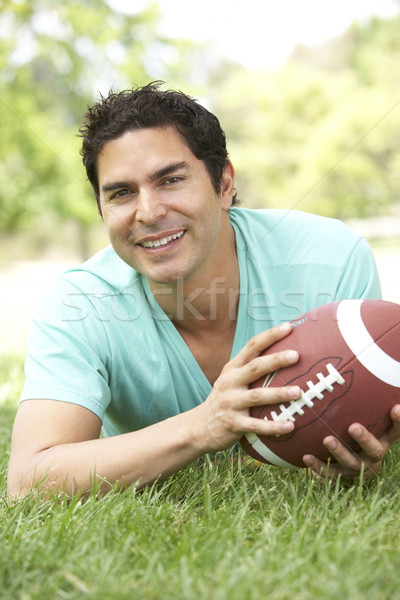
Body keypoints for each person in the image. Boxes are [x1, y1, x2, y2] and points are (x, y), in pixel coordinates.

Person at [7, 82, 400, 498]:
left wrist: (358, 444)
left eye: (171, 180)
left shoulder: (331, 259)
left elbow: (367, 427)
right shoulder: (78, 304)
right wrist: (202, 425)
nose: (148, 212)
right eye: (121, 193)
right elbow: (28, 480)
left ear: (224, 183)